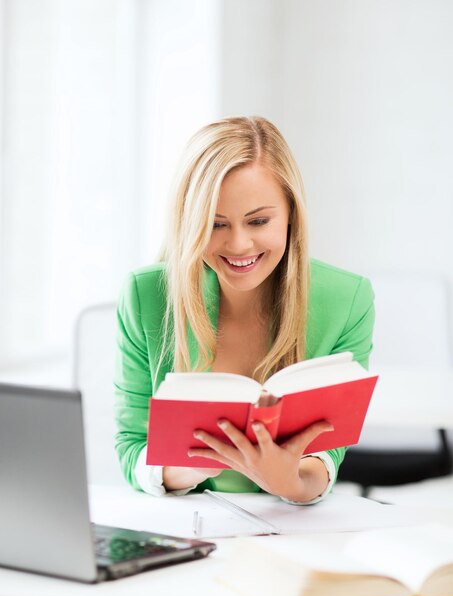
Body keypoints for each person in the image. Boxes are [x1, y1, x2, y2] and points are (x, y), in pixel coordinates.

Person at [114, 116, 374, 504]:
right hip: (188, 529)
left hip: (289, 531)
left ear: (291, 215)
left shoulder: (347, 299)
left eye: (258, 221)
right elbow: (132, 446)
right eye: (215, 224)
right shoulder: (145, 294)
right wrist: (191, 465)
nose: (238, 244)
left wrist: (289, 481)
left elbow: (327, 456)